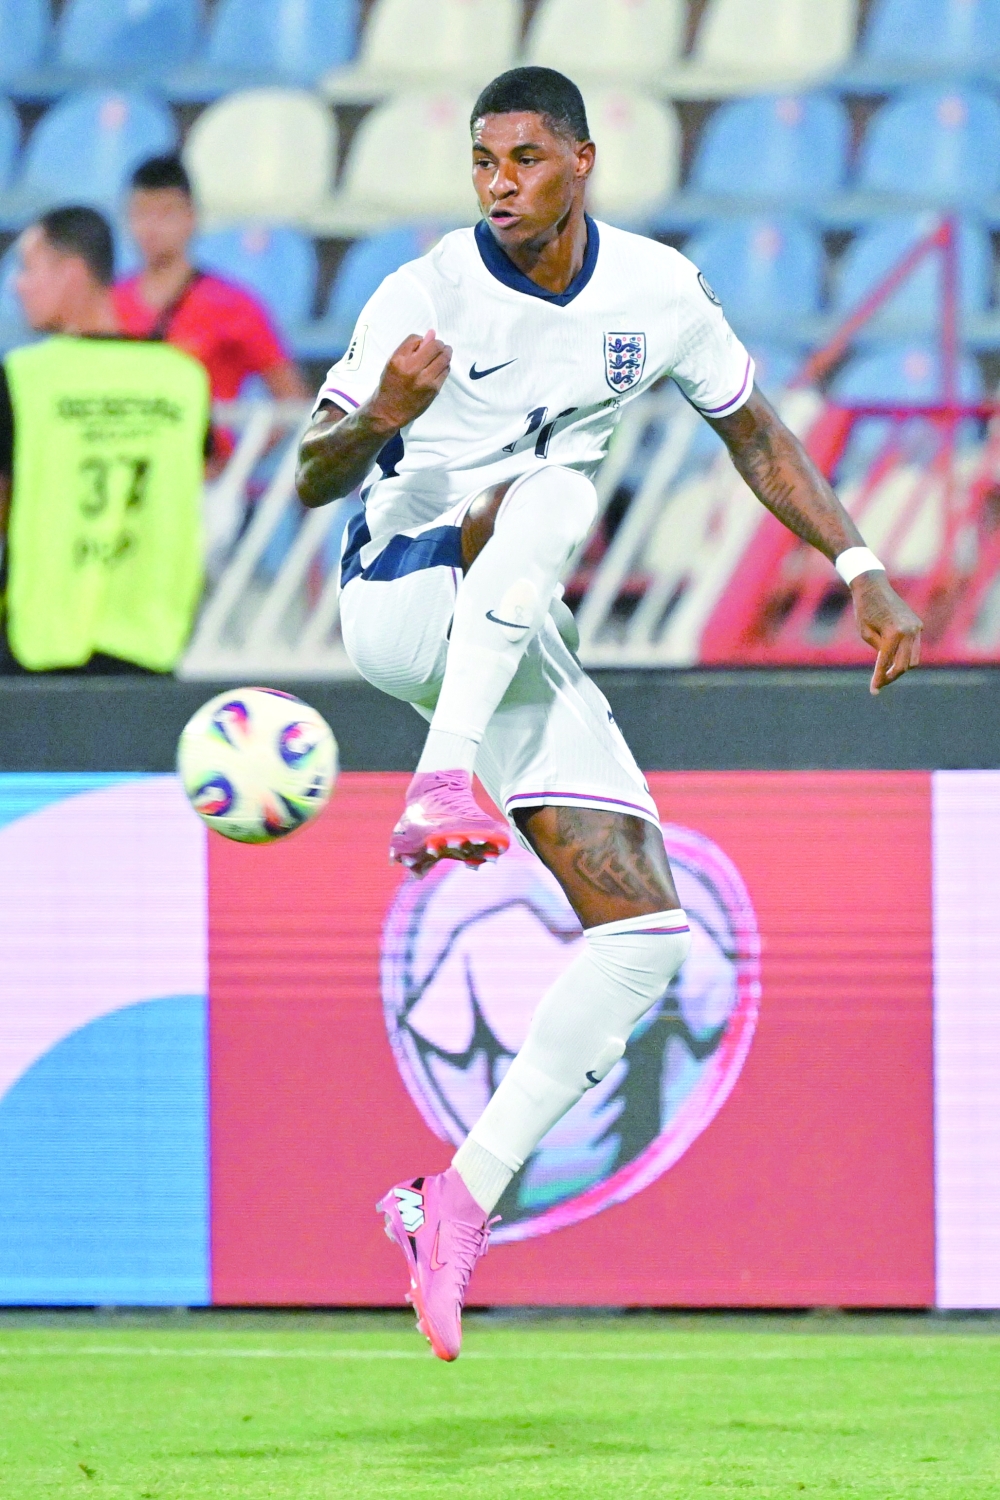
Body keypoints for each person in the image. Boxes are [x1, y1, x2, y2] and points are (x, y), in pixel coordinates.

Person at [296, 67, 922, 1361]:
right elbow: (311, 477)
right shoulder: (424, 296)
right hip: (402, 597)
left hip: (515, 634)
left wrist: (857, 566)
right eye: (481, 162)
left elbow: (754, 433)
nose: (498, 183)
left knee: (645, 935)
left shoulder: (655, 293)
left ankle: (454, 1202)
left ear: (582, 161)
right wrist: (385, 423)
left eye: (523, 158)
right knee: (559, 495)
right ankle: (439, 784)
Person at [0, 206, 209, 673]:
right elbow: (201, 473)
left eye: (28, 268)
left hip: (37, 637)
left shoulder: (24, 377)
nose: (16, 285)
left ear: (72, 273)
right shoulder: (183, 378)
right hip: (150, 639)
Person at [113, 154, 308, 413]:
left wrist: (245, 451)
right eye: (141, 213)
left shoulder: (232, 304)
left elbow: (292, 400)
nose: (151, 227)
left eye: (166, 214)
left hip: (203, 452)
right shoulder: (110, 302)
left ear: (191, 217)